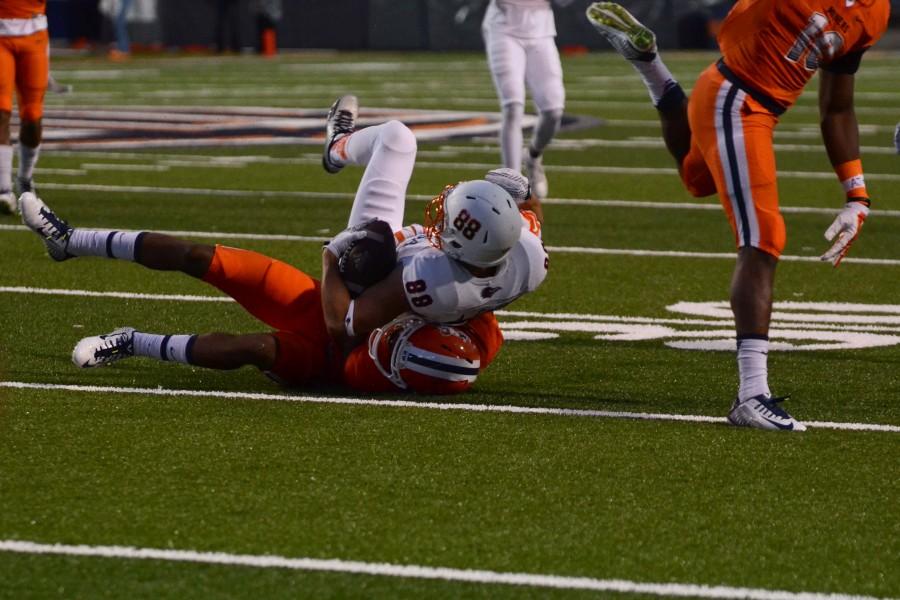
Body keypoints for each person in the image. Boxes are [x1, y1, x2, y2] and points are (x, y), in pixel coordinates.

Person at [20, 95, 548, 394]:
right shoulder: (526, 257)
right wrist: (523, 190)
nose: (438, 212)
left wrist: (334, 255)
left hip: (342, 319)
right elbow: (530, 218)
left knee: (235, 312)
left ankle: (129, 339)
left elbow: (344, 329)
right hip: (377, 299)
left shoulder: (429, 287)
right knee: (399, 137)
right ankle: (69, 241)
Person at [586, 1, 891, 431]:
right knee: (764, 236)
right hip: (737, 100)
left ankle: (649, 65)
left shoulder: (873, 13)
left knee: (696, 179)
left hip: (750, 107)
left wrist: (856, 196)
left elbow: (837, 108)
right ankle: (751, 394)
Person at [482, 0, 573, 201]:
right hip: (503, 28)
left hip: (541, 31)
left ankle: (533, 156)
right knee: (513, 106)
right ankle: (511, 188)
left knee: (553, 110)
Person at [0, 0, 48, 215]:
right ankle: (3, 189)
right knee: (1, 110)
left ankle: (25, 179)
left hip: (34, 33)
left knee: (32, 116)